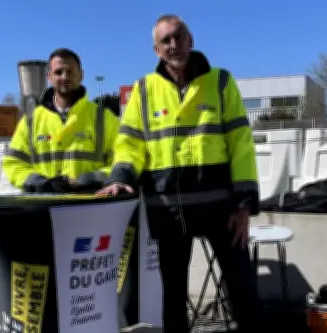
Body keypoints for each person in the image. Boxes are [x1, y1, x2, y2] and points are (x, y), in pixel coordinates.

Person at [97, 14, 261, 332]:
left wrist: (244, 204)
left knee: (243, 289)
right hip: (168, 211)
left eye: (179, 36)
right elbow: (129, 144)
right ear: (156, 50)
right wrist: (119, 177)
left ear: (190, 40)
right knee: (172, 298)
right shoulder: (144, 90)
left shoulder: (221, 82)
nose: (173, 45)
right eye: (165, 40)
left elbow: (241, 143)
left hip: (222, 208)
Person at [3, 48, 120, 193]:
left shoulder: (104, 118)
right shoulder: (31, 121)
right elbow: (13, 163)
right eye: (58, 72)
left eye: (70, 72)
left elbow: (122, 159)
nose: (64, 77)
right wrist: (39, 183)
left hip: (90, 202)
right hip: (44, 203)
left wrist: (94, 178)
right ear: (49, 76)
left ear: (81, 75)